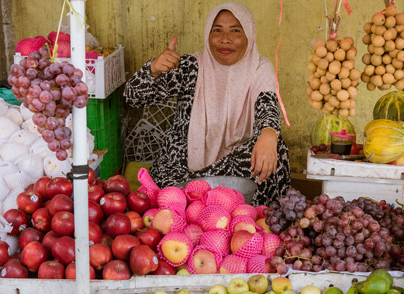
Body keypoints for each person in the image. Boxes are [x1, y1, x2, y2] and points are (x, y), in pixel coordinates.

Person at [124, 2, 290, 206]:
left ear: (249, 34)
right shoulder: (191, 66)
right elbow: (133, 97)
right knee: (172, 193)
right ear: (208, 35)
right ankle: (197, 200)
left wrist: (269, 133)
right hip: (184, 170)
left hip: (233, 166)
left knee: (277, 150)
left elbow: (267, 105)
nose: (225, 39)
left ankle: (262, 217)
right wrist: (153, 70)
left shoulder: (259, 67)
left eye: (235, 31)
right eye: (217, 30)